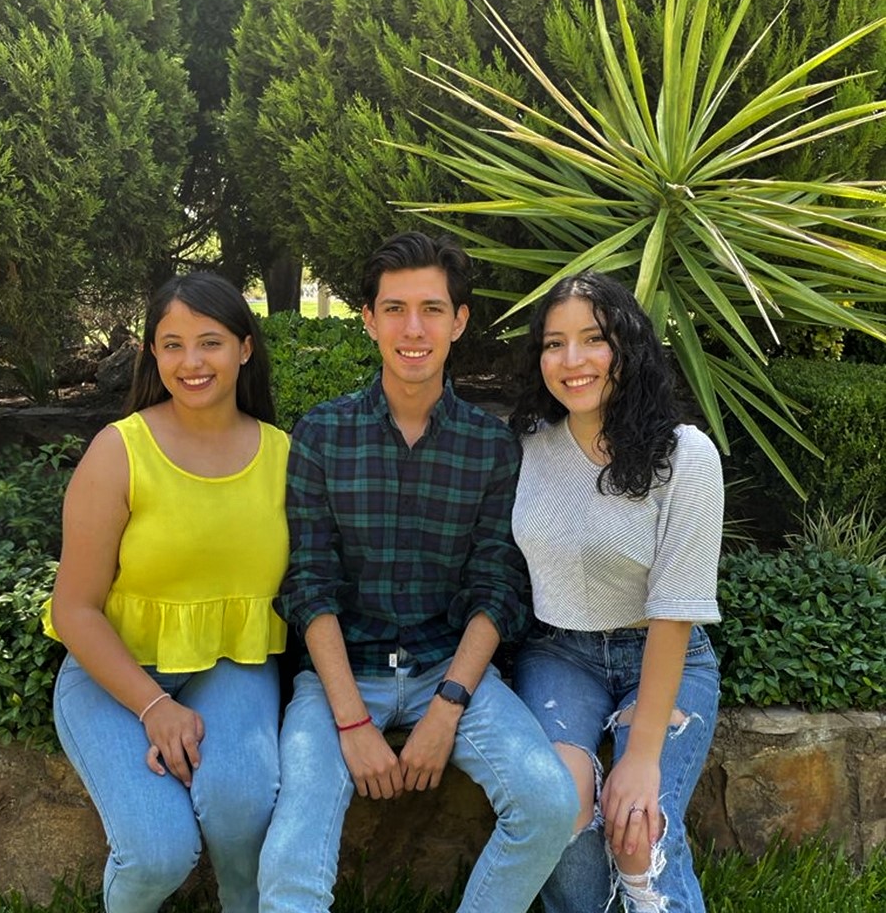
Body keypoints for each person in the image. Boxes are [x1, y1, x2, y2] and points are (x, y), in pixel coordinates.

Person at [259, 231, 579, 913]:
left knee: (549, 803)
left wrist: (447, 707)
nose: (413, 329)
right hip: (342, 674)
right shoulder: (322, 434)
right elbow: (308, 586)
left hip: (448, 669)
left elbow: (497, 587)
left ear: (458, 321)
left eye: (431, 309)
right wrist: (351, 723)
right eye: (394, 309)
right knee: (289, 867)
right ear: (368, 319)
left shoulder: (490, 445)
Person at [45, 272, 289, 913]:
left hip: (231, 663)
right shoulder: (118, 452)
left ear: (244, 348)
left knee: (242, 806)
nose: (191, 362)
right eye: (172, 344)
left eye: (210, 343)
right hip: (114, 673)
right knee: (157, 853)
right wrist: (154, 706)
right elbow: (73, 609)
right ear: (153, 353)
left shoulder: (285, 458)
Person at [510, 273, 723, 913]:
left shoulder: (686, 456)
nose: (571, 360)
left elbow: (676, 612)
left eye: (593, 339)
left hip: (662, 653)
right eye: (554, 343)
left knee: (639, 826)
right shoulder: (526, 446)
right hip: (558, 652)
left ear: (627, 347)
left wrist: (643, 758)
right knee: (561, 803)